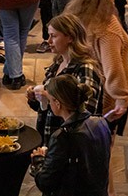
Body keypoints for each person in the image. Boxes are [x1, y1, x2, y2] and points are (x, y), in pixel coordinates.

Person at [65, 0, 128, 196]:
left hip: (79, 91)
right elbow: (113, 68)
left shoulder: (76, 16)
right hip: (105, 101)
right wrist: (121, 98)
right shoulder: (108, 27)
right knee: (103, 155)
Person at [29, 73, 111, 196]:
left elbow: (45, 182)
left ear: (57, 103)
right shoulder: (101, 123)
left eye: (50, 100)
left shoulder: (62, 137)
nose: (50, 105)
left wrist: (38, 160)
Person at [26, 13, 103, 142]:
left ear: (70, 37)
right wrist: (35, 98)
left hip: (70, 142)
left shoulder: (85, 68)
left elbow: (85, 111)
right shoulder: (57, 63)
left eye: (54, 36)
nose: (49, 41)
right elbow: (48, 108)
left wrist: (48, 95)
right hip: (50, 137)